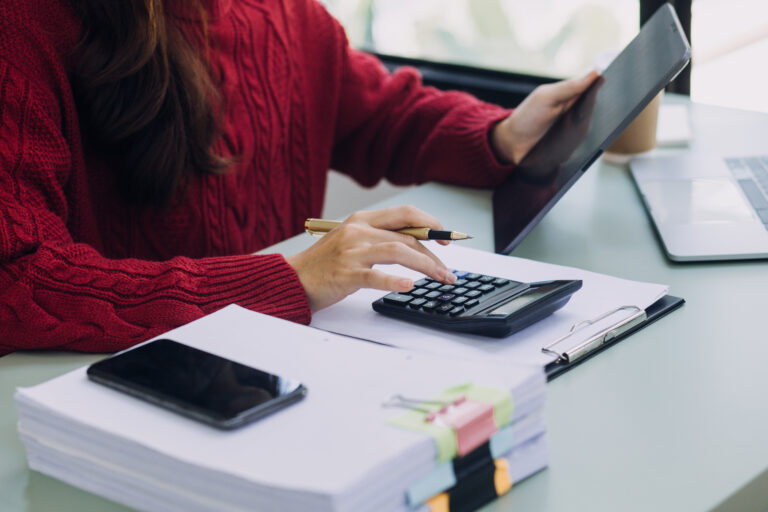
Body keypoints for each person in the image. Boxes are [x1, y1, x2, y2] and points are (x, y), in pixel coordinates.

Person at [0, 0, 599, 355]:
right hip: (122, 387)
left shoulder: (289, 14)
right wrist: (285, 280)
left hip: (282, 356)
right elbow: (17, 277)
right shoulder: (23, 28)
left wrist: (498, 136)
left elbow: (376, 111)